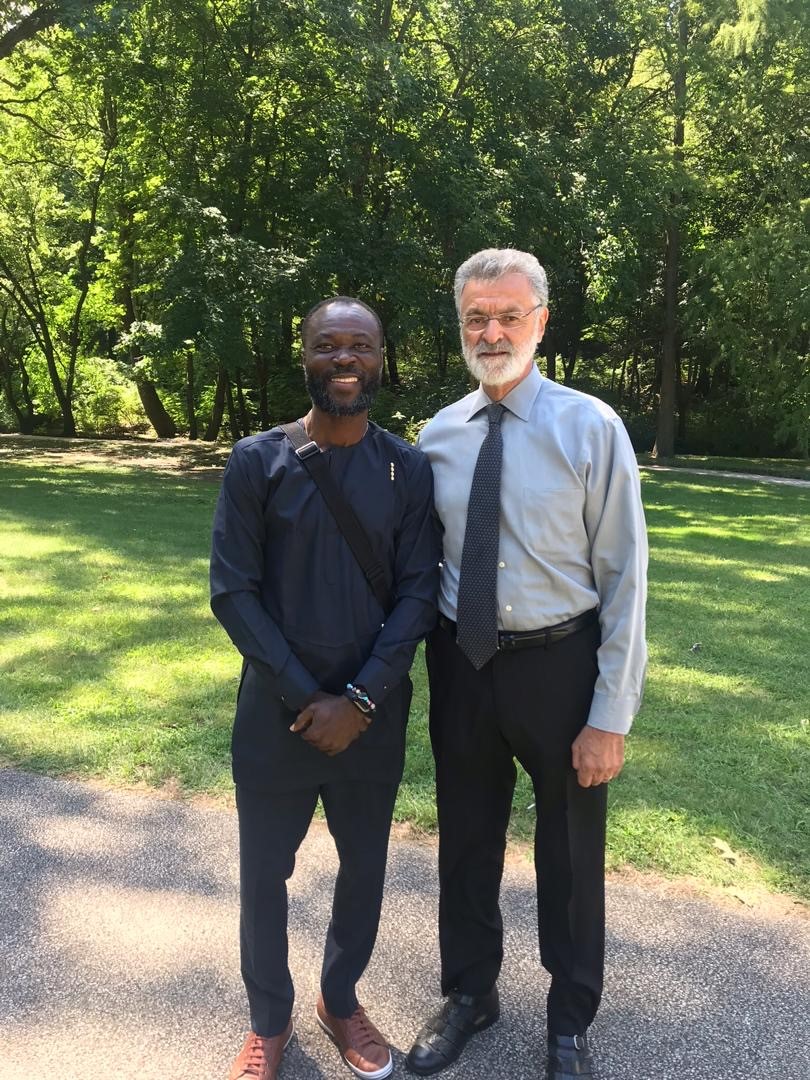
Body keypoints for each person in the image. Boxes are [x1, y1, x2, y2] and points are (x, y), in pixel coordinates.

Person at [406, 249, 648, 1080]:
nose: (492, 331)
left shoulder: (591, 427)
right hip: (464, 664)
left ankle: (570, 1018)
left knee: (571, 854)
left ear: (541, 321)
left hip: (561, 665)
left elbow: (624, 577)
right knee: (467, 839)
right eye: (477, 317)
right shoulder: (436, 436)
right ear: (461, 326)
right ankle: (471, 992)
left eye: (509, 315)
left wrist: (610, 714)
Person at [211, 296, 440, 1080]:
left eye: (361, 347)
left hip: (370, 722)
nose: (345, 360)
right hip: (277, 719)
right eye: (328, 345)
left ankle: (339, 1000)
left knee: (364, 867)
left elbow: (418, 594)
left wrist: (362, 702)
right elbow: (233, 593)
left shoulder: (408, 470)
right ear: (304, 355)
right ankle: (268, 1022)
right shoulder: (256, 461)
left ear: (382, 359)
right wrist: (307, 697)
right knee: (263, 874)